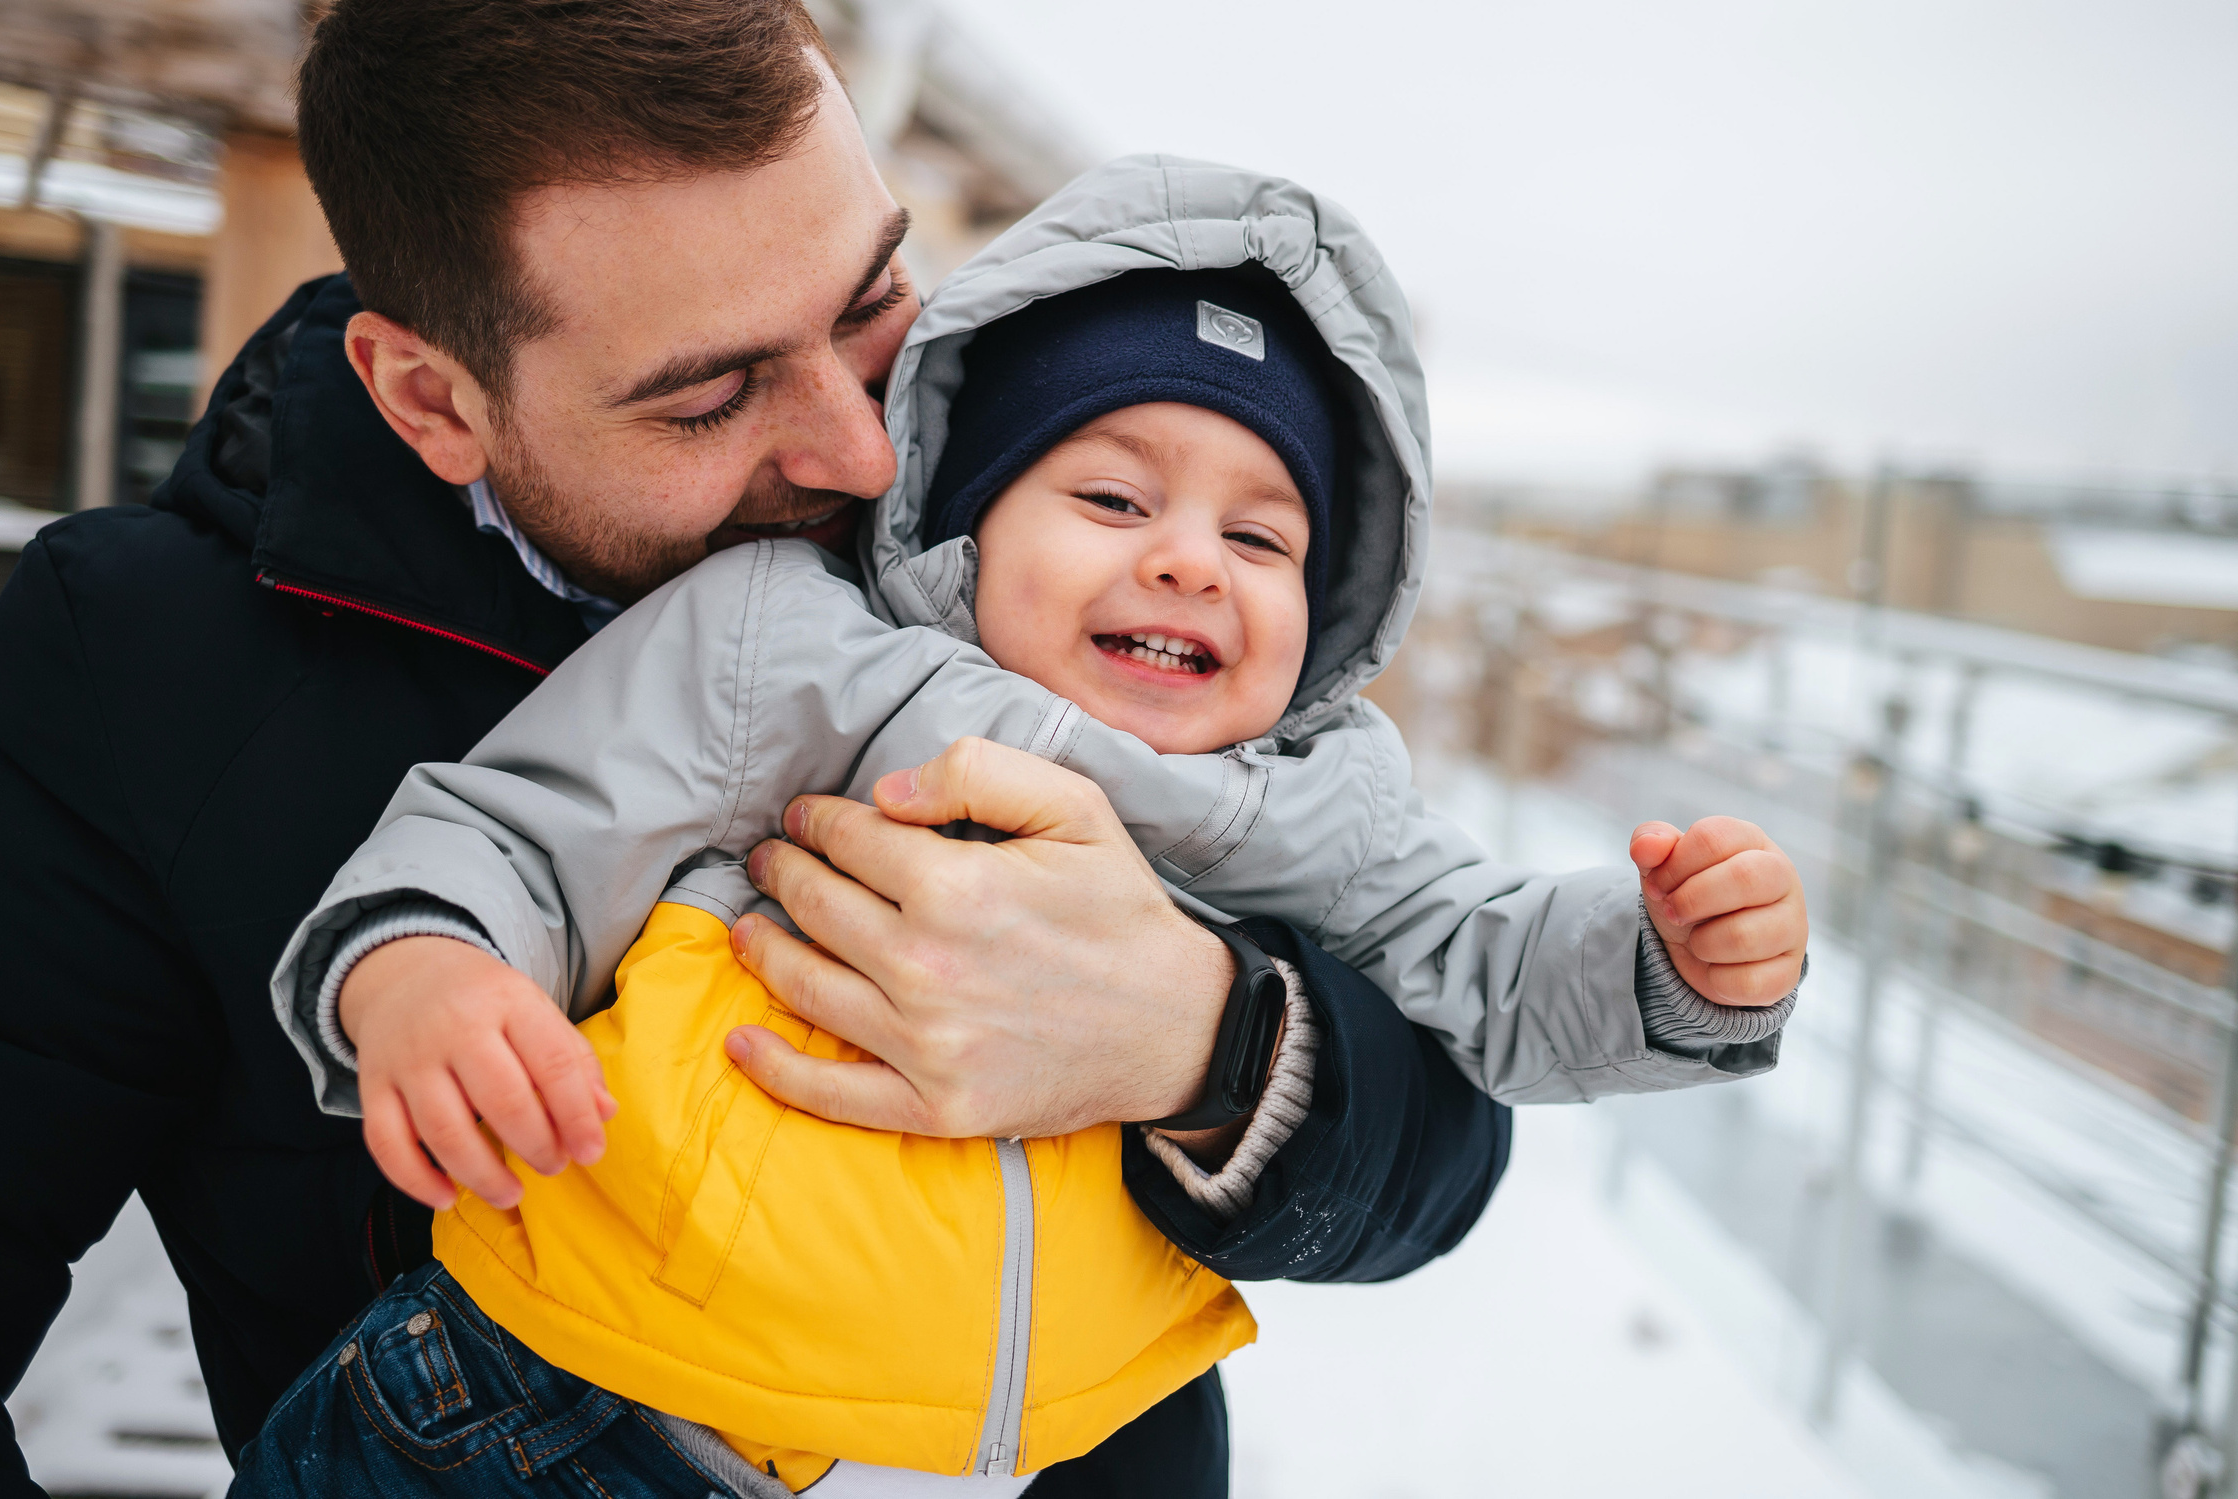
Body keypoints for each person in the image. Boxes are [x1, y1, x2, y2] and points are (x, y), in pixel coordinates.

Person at [234, 163, 1807, 1496]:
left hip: (1028, 1461)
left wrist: (1668, 961)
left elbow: (1490, 964)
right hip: (571, 1408)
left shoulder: (1328, 804)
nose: (1191, 562)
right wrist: (421, 971)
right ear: (962, 526)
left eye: (1260, 536)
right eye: (1114, 502)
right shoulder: (793, 651)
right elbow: (520, 828)